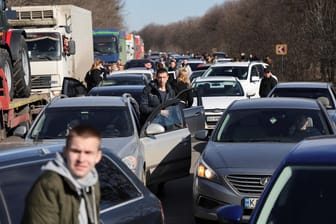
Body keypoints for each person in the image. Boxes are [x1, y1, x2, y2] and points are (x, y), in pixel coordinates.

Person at [23, 124, 102, 224]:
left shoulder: (91, 181)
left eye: (88, 153)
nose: (81, 159)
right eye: (75, 151)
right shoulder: (48, 186)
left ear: (98, 156)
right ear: (65, 151)